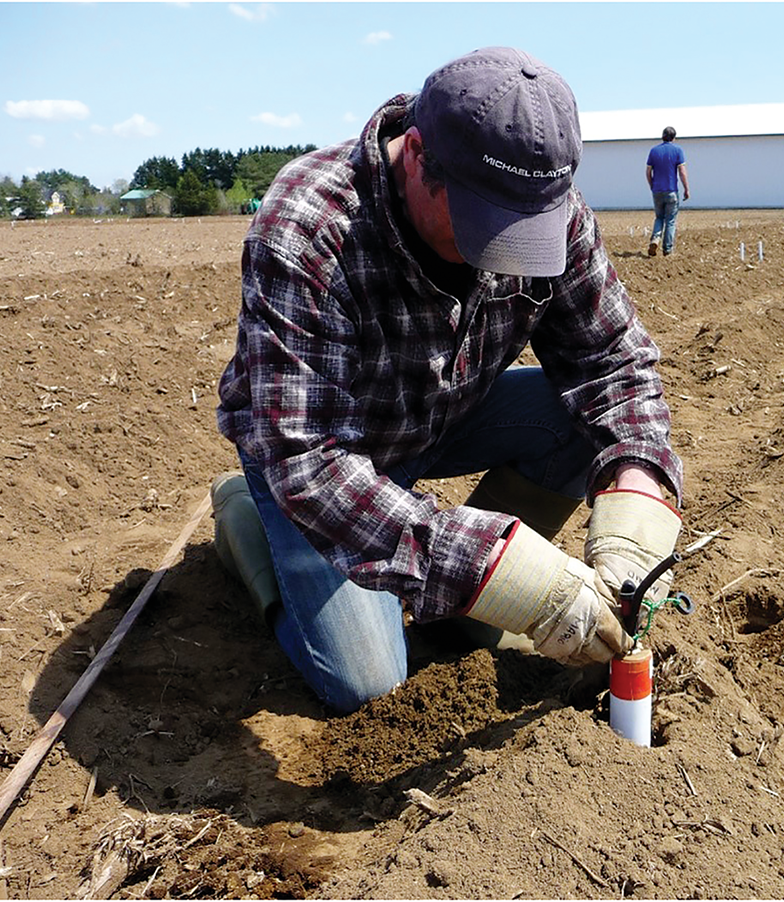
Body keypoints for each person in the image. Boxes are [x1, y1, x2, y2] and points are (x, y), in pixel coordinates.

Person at [213, 47, 684, 714]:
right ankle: (245, 522)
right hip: (321, 463)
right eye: (486, 230)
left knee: (579, 421)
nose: (505, 254)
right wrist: (498, 569)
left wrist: (639, 484)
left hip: (445, 415)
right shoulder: (308, 226)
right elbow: (311, 464)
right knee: (368, 685)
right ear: (418, 156)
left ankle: (466, 615)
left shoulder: (544, 204)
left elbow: (612, 361)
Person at [646, 126, 690, 257]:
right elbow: (682, 171)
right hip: (671, 190)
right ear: (674, 138)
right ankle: (667, 249)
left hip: (657, 191)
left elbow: (648, 171)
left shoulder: (653, 151)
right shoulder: (677, 150)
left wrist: (652, 185)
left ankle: (655, 238)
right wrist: (686, 188)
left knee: (659, 217)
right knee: (670, 220)